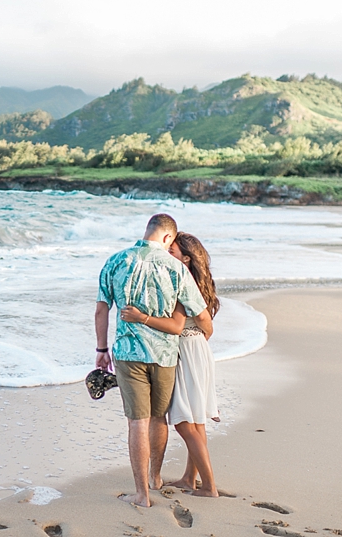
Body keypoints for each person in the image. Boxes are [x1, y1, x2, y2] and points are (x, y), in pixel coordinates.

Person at [95, 214, 212, 508]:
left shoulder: (115, 261)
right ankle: (155, 478)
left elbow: (101, 310)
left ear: (148, 232)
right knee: (159, 418)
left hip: (128, 354)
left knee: (137, 422)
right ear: (167, 238)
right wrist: (203, 341)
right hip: (165, 356)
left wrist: (101, 349)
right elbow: (200, 313)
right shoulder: (176, 268)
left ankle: (142, 495)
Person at [121, 232, 221, 497]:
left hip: (187, 350)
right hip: (196, 347)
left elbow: (178, 326)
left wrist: (140, 317)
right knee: (196, 421)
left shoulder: (181, 283)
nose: (167, 255)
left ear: (186, 259)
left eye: (173, 251)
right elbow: (205, 326)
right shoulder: (194, 281)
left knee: (184, 423)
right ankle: (190, 478)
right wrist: (200, 338)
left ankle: (209, 486)